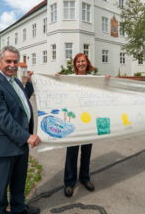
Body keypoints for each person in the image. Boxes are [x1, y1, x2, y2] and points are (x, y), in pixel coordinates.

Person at [0, 46, 41, 214]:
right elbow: (2, 119)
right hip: (4, 145)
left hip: (20, 143)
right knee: (0, 188)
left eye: (15, 61)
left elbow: (20, 101)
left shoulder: (15, 82)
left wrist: (30, 82)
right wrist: (26, 136)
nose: (12, 65)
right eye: (8, 61)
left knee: (19, 181)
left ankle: (18, 208)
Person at [62, 53, 104, 197]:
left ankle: (85, 178)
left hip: (89, 122)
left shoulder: (93, 80)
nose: (81, 63)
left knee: (86, 152)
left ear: (87, 63)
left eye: (83, 61)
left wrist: (107, 82)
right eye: (78, 61)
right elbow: (61, 92)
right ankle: (69, 182)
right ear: (75, 64)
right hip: (74, 122)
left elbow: (102, 91)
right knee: (71, 153)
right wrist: (56, 80)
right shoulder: (69, 79)